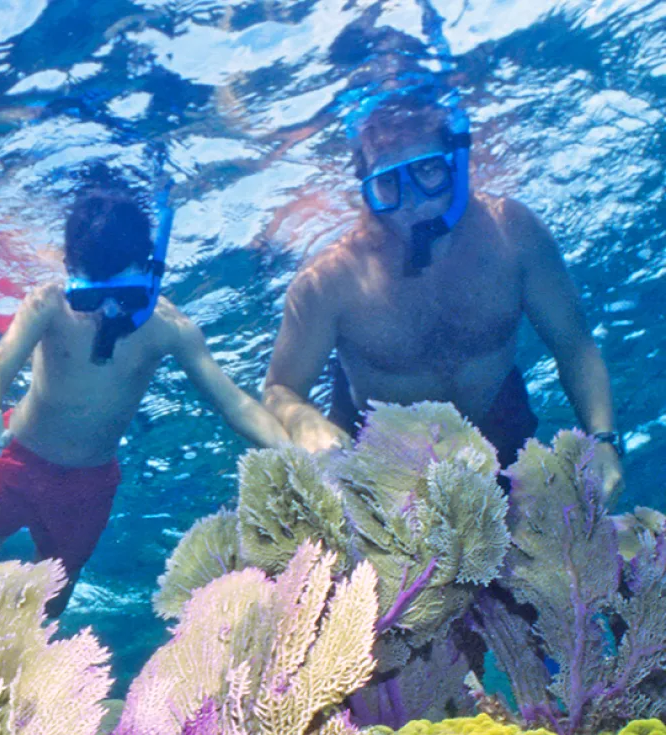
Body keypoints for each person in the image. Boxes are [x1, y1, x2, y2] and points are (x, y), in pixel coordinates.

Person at [0, 182, 289, 615]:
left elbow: (236, 403)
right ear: (71, 271)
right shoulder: (49, 305)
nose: (108, 312)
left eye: (127, 297)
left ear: (150, 273)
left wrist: (290, 450)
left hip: (87, 482)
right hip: (17, 458)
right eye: (92, 297)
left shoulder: (169, 326)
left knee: (52, 603)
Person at [262, 92, 624, 500]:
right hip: (376, 458)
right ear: (366, 188)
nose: (413, 203)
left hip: (499, 427)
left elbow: (575, 346)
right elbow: (279, 390)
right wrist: (304, 420)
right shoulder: (330, 280)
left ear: (458, 164)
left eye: (429, 171)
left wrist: (605, 440)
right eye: (389, 184)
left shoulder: (514, 235)